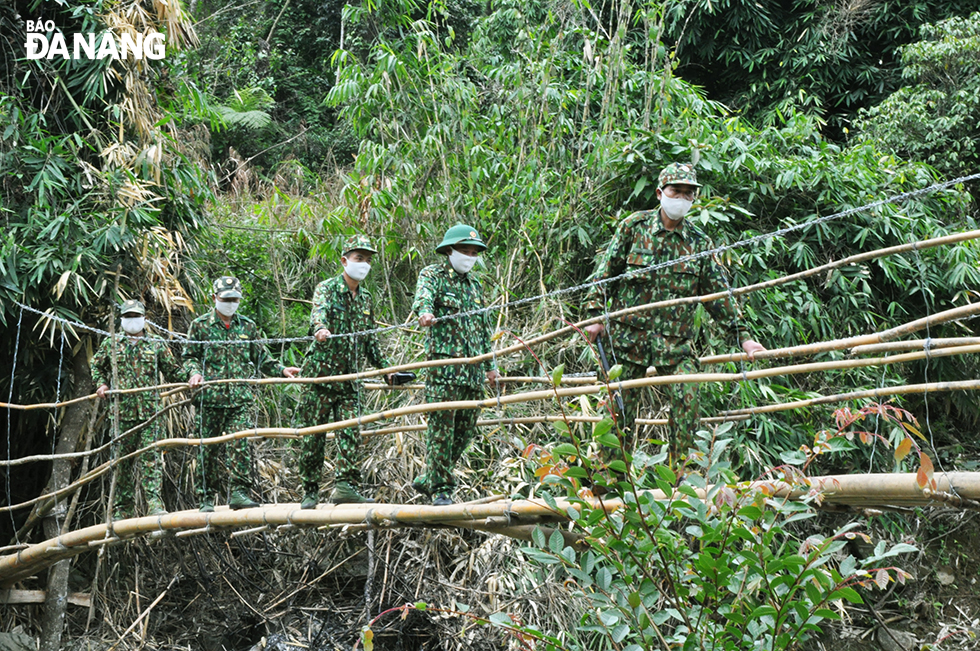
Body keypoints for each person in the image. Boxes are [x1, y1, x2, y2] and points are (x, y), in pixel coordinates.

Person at [584, 162, 766, 460]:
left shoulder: (699, 242)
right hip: (627, 342)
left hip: (675, 346)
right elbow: (605, 275)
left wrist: (742, 337)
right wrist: (594, 316)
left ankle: (682, 482)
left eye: (688, 193)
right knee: (618, 415)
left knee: (687, 405)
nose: (681, 198)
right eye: (675, 191)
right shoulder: (633, 227)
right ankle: (611, 484)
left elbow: (718, 296)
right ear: (659, 193)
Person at [183, 276, 300, 511]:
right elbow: (189, 357)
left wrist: (281, 370)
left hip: (239, 399)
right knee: (208, 448)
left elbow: (260, 356)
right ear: (214, 298)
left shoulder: (247, 326)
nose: (230, 303)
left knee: (241, 446)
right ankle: (206, 498)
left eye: (235, 299)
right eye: (226, 299)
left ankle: (238, 492)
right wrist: (194, 373)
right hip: (210, 399)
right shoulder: (200, 325)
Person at [297, 234, 395, 508]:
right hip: (321, 377)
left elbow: (371, 341)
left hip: (351, 380)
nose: (363, 264)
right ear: (344, 261)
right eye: (358, 258)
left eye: (367, 260)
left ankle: (345, 486)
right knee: (312, 435)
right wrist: (321, 329)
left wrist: (386, 370)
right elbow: (319, 314)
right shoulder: (326, 289)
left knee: (351, 432)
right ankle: (310, 490)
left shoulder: (366, 299)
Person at [411, 224, 500, 506]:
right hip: (444, 374)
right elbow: (422, 298)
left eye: (474, 252)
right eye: (464, 250)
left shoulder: (475, 286)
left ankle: (429, 478)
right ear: (449, 251)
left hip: (473, 375)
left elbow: (483, 330)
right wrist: (425, 312)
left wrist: (490, 365)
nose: (469, 256)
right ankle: (440, 489)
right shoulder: (433, 276)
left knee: (464, 434)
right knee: (441, 433)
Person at [92, 299, 180, 518]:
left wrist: (191, 376)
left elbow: (173, 371)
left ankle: (154, 505)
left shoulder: (156, 344)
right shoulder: (111, 343)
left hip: (151, 414)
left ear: (144, 319)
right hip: (121, 415)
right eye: (128, 317)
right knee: (121, 462)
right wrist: (101, 384)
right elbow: (96, 364)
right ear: (122, 320)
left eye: (136, 317)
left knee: (151, 460)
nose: (132, 321)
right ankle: (123, 510)